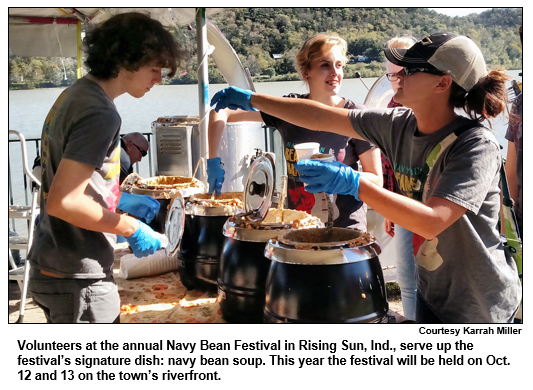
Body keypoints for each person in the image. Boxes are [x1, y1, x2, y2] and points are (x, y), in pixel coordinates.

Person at [211, 32, 522, 323]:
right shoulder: (397, 124)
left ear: (442, 84)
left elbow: (432, 220)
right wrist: (253, 99)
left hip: (480, 303)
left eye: (411, 70)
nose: (399, 74)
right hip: (435, 290)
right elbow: (319, 114)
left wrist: (354, 182)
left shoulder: (475, 145)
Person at [27, 12, 186, 323]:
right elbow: (65, 201)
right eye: (154, 69)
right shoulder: (100, 112)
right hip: (77, 275)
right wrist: (132, 228)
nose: (159, 78)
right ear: (124, 61)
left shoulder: (74, 95)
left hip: (53, 261)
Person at [208, 34, 382, 231]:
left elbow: (377, 180)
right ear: (306, 72)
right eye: (325, 65)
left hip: (346, 231)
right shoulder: (287, 109)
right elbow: (222, 111)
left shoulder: (356, 115)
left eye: (339, 65)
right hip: (299, 227)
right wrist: (213, 159)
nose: (335, 72)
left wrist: (345, 177)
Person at [382, 36, 418, 321]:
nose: (397, 80)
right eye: (392, 74)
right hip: (402, 207)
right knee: (407, 277)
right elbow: (388, 165)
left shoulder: (434, 109)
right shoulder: (389, 110)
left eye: (403, 73)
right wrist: (387, 208)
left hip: (435, 208)